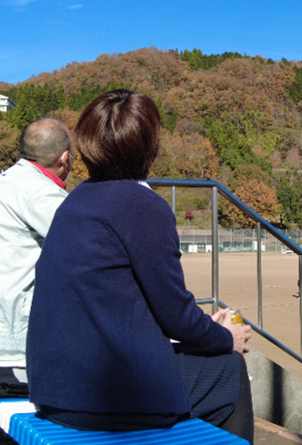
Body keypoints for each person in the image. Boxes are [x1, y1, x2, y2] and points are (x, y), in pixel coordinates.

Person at [26, 89, 255, 443]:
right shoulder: (143, 206)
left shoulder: (75, 200)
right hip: (106, 399)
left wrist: (203, 331)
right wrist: (226, 337)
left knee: (197, 358)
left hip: (51, 388)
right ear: (150, 146)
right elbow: (174, 312)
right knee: (230, 370)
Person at [0, 117, 72, 361]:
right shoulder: (40, 193)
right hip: (10, 334)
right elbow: (88, 244)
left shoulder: (3, 183)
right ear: (64, 158)